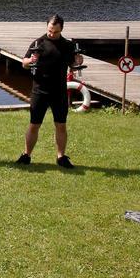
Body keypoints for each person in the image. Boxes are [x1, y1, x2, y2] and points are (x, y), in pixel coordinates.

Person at [16, 14, 84, 168]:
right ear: (47, 27)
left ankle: (61, 157)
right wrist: (30, 61)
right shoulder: (38, 43)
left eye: (55, 32)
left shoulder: (67, 45)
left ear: (61, 29)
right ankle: (26, 155)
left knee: (61, 125)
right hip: (40, 90)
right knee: (34, 124)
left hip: (59, 91)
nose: (52, 34)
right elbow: (24, 63)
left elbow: (74, 65)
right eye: (50, 31)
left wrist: (78, 61)